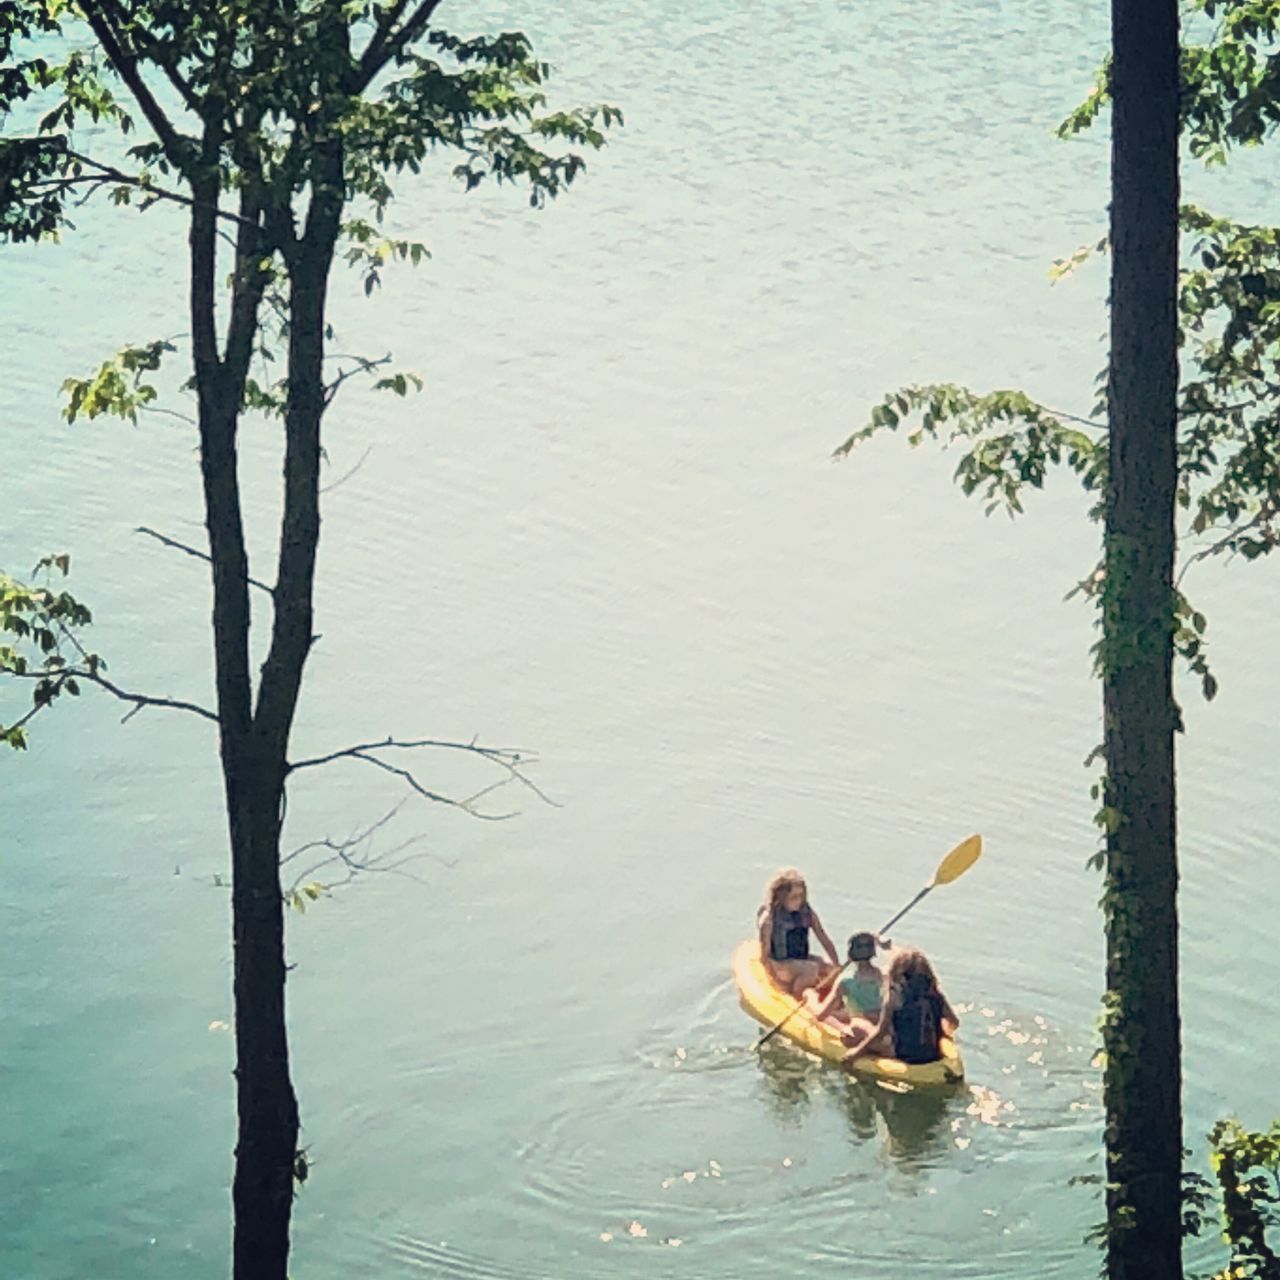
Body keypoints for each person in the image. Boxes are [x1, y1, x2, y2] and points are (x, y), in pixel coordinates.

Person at [842, 946, 958, 1067]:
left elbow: (880, 1033)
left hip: (903, 1055)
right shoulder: (935, 994)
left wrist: (855, 1054)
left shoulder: (895, 996)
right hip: (933, 1054)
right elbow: (954, 1022)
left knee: (857, 1025)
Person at [757, 868, 839, 995]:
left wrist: (836, 964)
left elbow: (824, 939)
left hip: (799, 958)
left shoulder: (806, 913)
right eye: (794, 897)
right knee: (811, 969)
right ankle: (797, 994)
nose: (798, 901)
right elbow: (764, 955)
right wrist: (773, 979)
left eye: (801, 896)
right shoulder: (769, 919)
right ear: (781, 897)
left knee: (828, 967)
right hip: (779, 963)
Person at [805, 931, 886, 1031]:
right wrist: (880, 942)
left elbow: (821, 1015)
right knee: (844, 1013)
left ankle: (843, 1028)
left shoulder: (846, 981)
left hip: (859, 1026)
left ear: (850, 954)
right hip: (879, 1022)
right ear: (873, 953)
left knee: (819, 1010)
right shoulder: (885, 975)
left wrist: (810, 997)